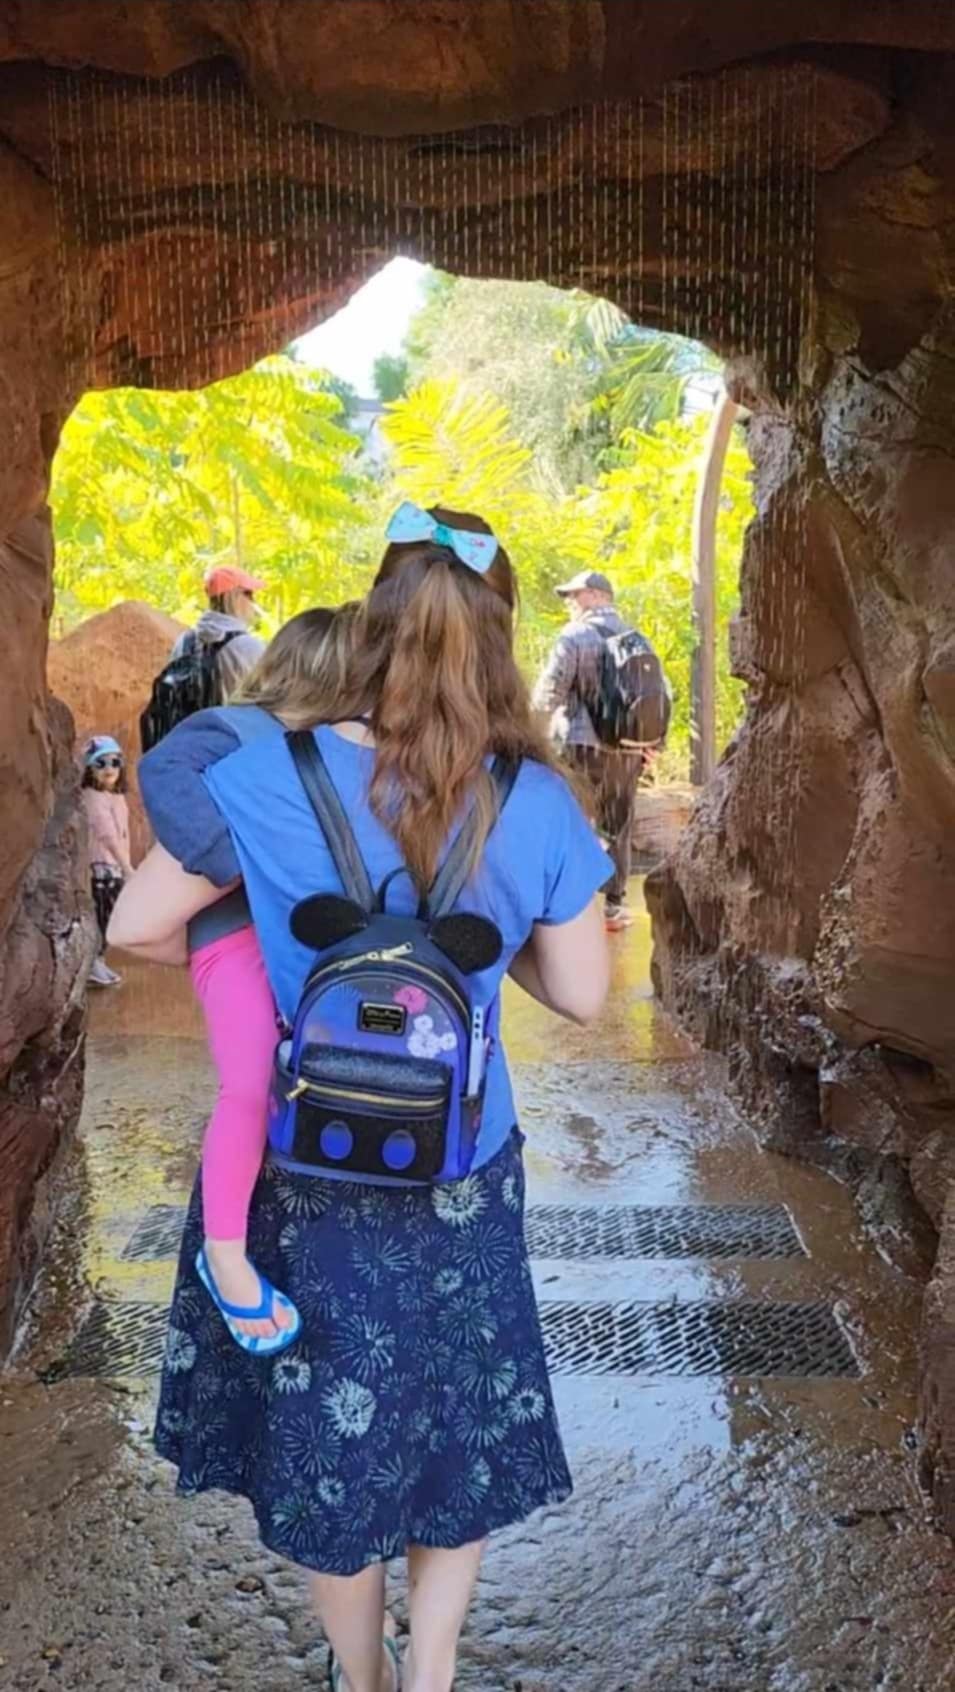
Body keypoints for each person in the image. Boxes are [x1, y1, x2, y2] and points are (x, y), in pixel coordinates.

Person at [110, 502, 611, 1692]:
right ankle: (430, 1675)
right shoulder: (534, 801)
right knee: (456, 1425)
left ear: (375, 612)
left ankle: (359, 1674)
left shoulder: (264, 773)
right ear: (499, 633)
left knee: (329, 1428)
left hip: (308, 1163)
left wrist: (267, 946)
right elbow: (587, 994)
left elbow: (133, 929)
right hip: (460, 1172)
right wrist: (479, 957)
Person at [140, 606, 356, 1348]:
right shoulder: (233, 730)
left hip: (291, 940)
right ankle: (224, 1252)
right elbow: (158, 768)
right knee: (247, 1079)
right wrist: (236, 861)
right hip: (233, 935)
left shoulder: (323, 748)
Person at [533, 568, 651, 933]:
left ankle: (567, 909)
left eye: (576, 594)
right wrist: (649, 744)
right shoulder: (637, 638)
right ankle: (613, 906)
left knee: (571, 821)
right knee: (618, 825)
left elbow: (548, 693)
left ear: (599, 595)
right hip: (627, 750)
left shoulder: (575, 635)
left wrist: (530, 741)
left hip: (580, 745)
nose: (570, 601)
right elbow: (656, 696)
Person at [81, 735, 134, 987]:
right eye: (100, 763)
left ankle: (98, 960)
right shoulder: (93, 797)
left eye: (114, 761)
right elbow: (107, 835)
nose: (109, 769)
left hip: (113, 868)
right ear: (89, 769)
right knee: (102, 915)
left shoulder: (116, 797)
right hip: (101, 870)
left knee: (109, 914)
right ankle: (93, 962)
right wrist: (127, 867)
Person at [170, 562, 269, 696]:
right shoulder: (249, 647)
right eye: (249, 593)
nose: (253, 601)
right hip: (230, 717)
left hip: (190, 718)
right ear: (234, 597)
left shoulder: (184, 641)